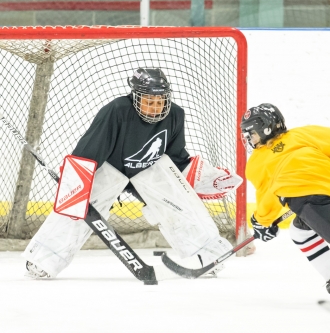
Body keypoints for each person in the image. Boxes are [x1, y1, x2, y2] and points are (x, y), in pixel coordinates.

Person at [23, 67, 242, 280]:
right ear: (135, 96)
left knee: (180, 203)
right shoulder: (117, 110)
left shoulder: (176, 115)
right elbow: (91, 149)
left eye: (160, 101)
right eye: (149, 101)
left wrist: (204, 177)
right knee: (77, 209)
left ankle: (208, 255)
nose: (156, 107)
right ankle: (43, 258)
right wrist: (76, 181)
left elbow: (176, 157)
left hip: (150, 169)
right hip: (111, 168)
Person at [241, 103, 330, 293]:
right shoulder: (305, 133)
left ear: (265, 128)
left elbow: (268, 195)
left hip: (309, 201)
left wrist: (261, 222)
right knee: (300, 232)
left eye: (252, 133)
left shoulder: (258, 161)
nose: (250, 139)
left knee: (301, 233)